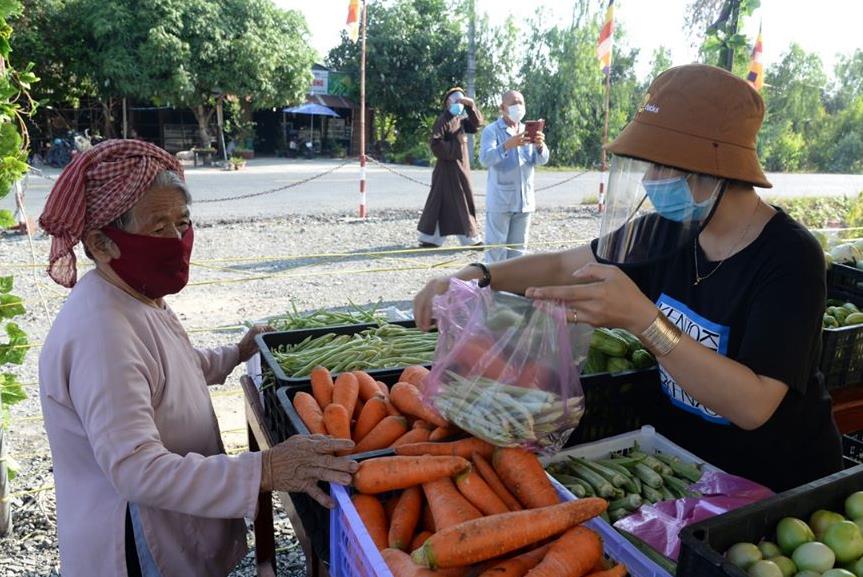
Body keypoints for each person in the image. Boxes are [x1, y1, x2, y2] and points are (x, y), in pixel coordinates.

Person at [413, 64, 842, 492]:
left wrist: (645, 321)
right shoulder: (664, 230)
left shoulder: (790, 258)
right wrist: (480, 275)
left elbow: (754, 404)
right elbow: (566, 266)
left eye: (660, 167)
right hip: (687, 472)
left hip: (776, 486)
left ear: (715, 169)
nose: (650, 182)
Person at [37, 140, 358, 577]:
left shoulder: (132, 293)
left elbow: (172, 366)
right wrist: (266, 468)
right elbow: (136, 470)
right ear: (100, 242)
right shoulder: (102, 333)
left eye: (182, 222)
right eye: (158, 228)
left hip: (169, 519)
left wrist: (237, 353)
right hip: (138, 542)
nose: (176, 240)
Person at [479, 90, 550, 262]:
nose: (518, 106)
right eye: (514, 103)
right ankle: (493, 288)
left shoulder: (528, 130)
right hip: (501, 202)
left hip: (524, 203)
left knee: (518, 255)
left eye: (521, 102)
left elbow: (540, 160)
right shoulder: (491, 130)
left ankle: (512, 288)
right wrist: (507, 145)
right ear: (503, 108)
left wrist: (541, 146)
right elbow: (485, 159)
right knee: (495, 254)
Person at [417, 87, 484, 248]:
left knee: (444, 203)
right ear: (448, 103)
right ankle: (470, 238)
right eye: (455, 100)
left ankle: (431, 238)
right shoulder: (443, 120)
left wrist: (471, 106)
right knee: (457, 200)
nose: (458, 102)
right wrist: (456, 144)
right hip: (447, 170)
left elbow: (477, 124)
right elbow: (435, 143)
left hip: (460, 168)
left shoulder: (459, 119)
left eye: (460, 99)